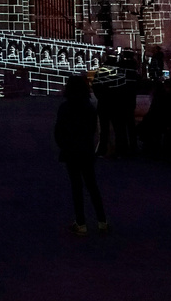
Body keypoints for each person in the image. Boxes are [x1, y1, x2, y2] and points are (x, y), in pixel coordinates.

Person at [55, 73, 108, 235]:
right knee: (92, 185)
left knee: (76, 187)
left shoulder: (65, 107)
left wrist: (63, 145)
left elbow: (58, 131)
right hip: (86, 150)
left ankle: (81, 223)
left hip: (71, 150)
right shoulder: (89, 107)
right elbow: (93, 129)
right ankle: (102, 221)